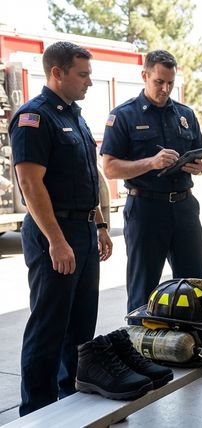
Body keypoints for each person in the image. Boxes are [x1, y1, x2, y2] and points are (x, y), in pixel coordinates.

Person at [10, 41, 112, 415]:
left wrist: (100, 224)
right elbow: (31, 185)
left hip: (83, 231)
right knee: (49, 326)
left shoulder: (75, 116)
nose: (89, 81)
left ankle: (72, 404)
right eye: (82, 74)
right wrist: (56, 240)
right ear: (57, 73)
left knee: (81, 325)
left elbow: (89, 177)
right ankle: (36, 411)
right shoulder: (34, 117)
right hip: (55, 233)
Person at [101, 50, 202, 313]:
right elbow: (110, 168)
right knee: (143, 290)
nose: (165, 88)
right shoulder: (124, 115)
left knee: (196, 287)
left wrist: (200, 166)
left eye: (170, 82)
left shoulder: (185, 114)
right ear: (145, 76)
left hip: (184, 208)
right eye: (159, 81)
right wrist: (151, 162)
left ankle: (192, 348)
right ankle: (139, 351)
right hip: (146, 209)